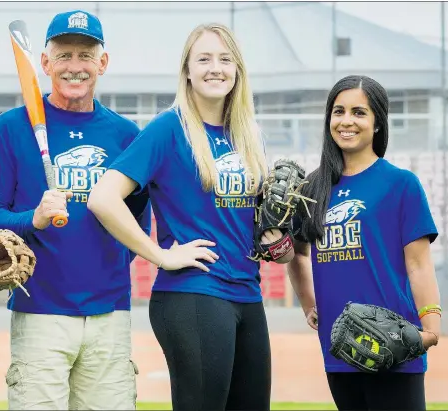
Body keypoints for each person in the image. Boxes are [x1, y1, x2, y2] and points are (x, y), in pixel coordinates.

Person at [88, 23, 295, 411]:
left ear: (237, 70)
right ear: (187, 70)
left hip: (246, 293)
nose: (214, 68)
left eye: (224, 59)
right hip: (193, 294)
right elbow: (103, 198)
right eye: (203, 59)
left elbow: (261, 228)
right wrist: (161, 255)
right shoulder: (170, 127)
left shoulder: (248, 135)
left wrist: (278, 242)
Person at [0, 10, 151, 410]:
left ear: (102, 64)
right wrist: (33, 219)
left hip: (109, 314)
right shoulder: (12, 126)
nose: (75, 67)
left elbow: (138, 220)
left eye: (85, 56)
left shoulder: (126, 134)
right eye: (64, 56)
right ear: (45, 63)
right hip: (40, 313)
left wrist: (107, 265)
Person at [286, 74, 442, 411]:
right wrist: (309, 303)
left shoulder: (401, 184)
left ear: (378, 124)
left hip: (394, 342)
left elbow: (418, 264)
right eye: (338, 111)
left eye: (359, 112)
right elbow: (297, 254)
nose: (346, 121)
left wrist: (430, 328)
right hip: (339, 346)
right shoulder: (312, 189)